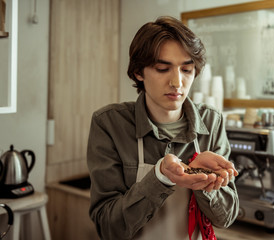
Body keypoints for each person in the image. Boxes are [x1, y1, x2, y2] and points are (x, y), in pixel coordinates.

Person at [87, 16, 239, 240]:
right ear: (139, 72)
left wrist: (205, 181)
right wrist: (159, 177)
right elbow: (109, 229)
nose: (177, 82)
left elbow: (225, 218)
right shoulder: (109, 124)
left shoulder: (211, 121)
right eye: (162, 68)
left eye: (186, 70)